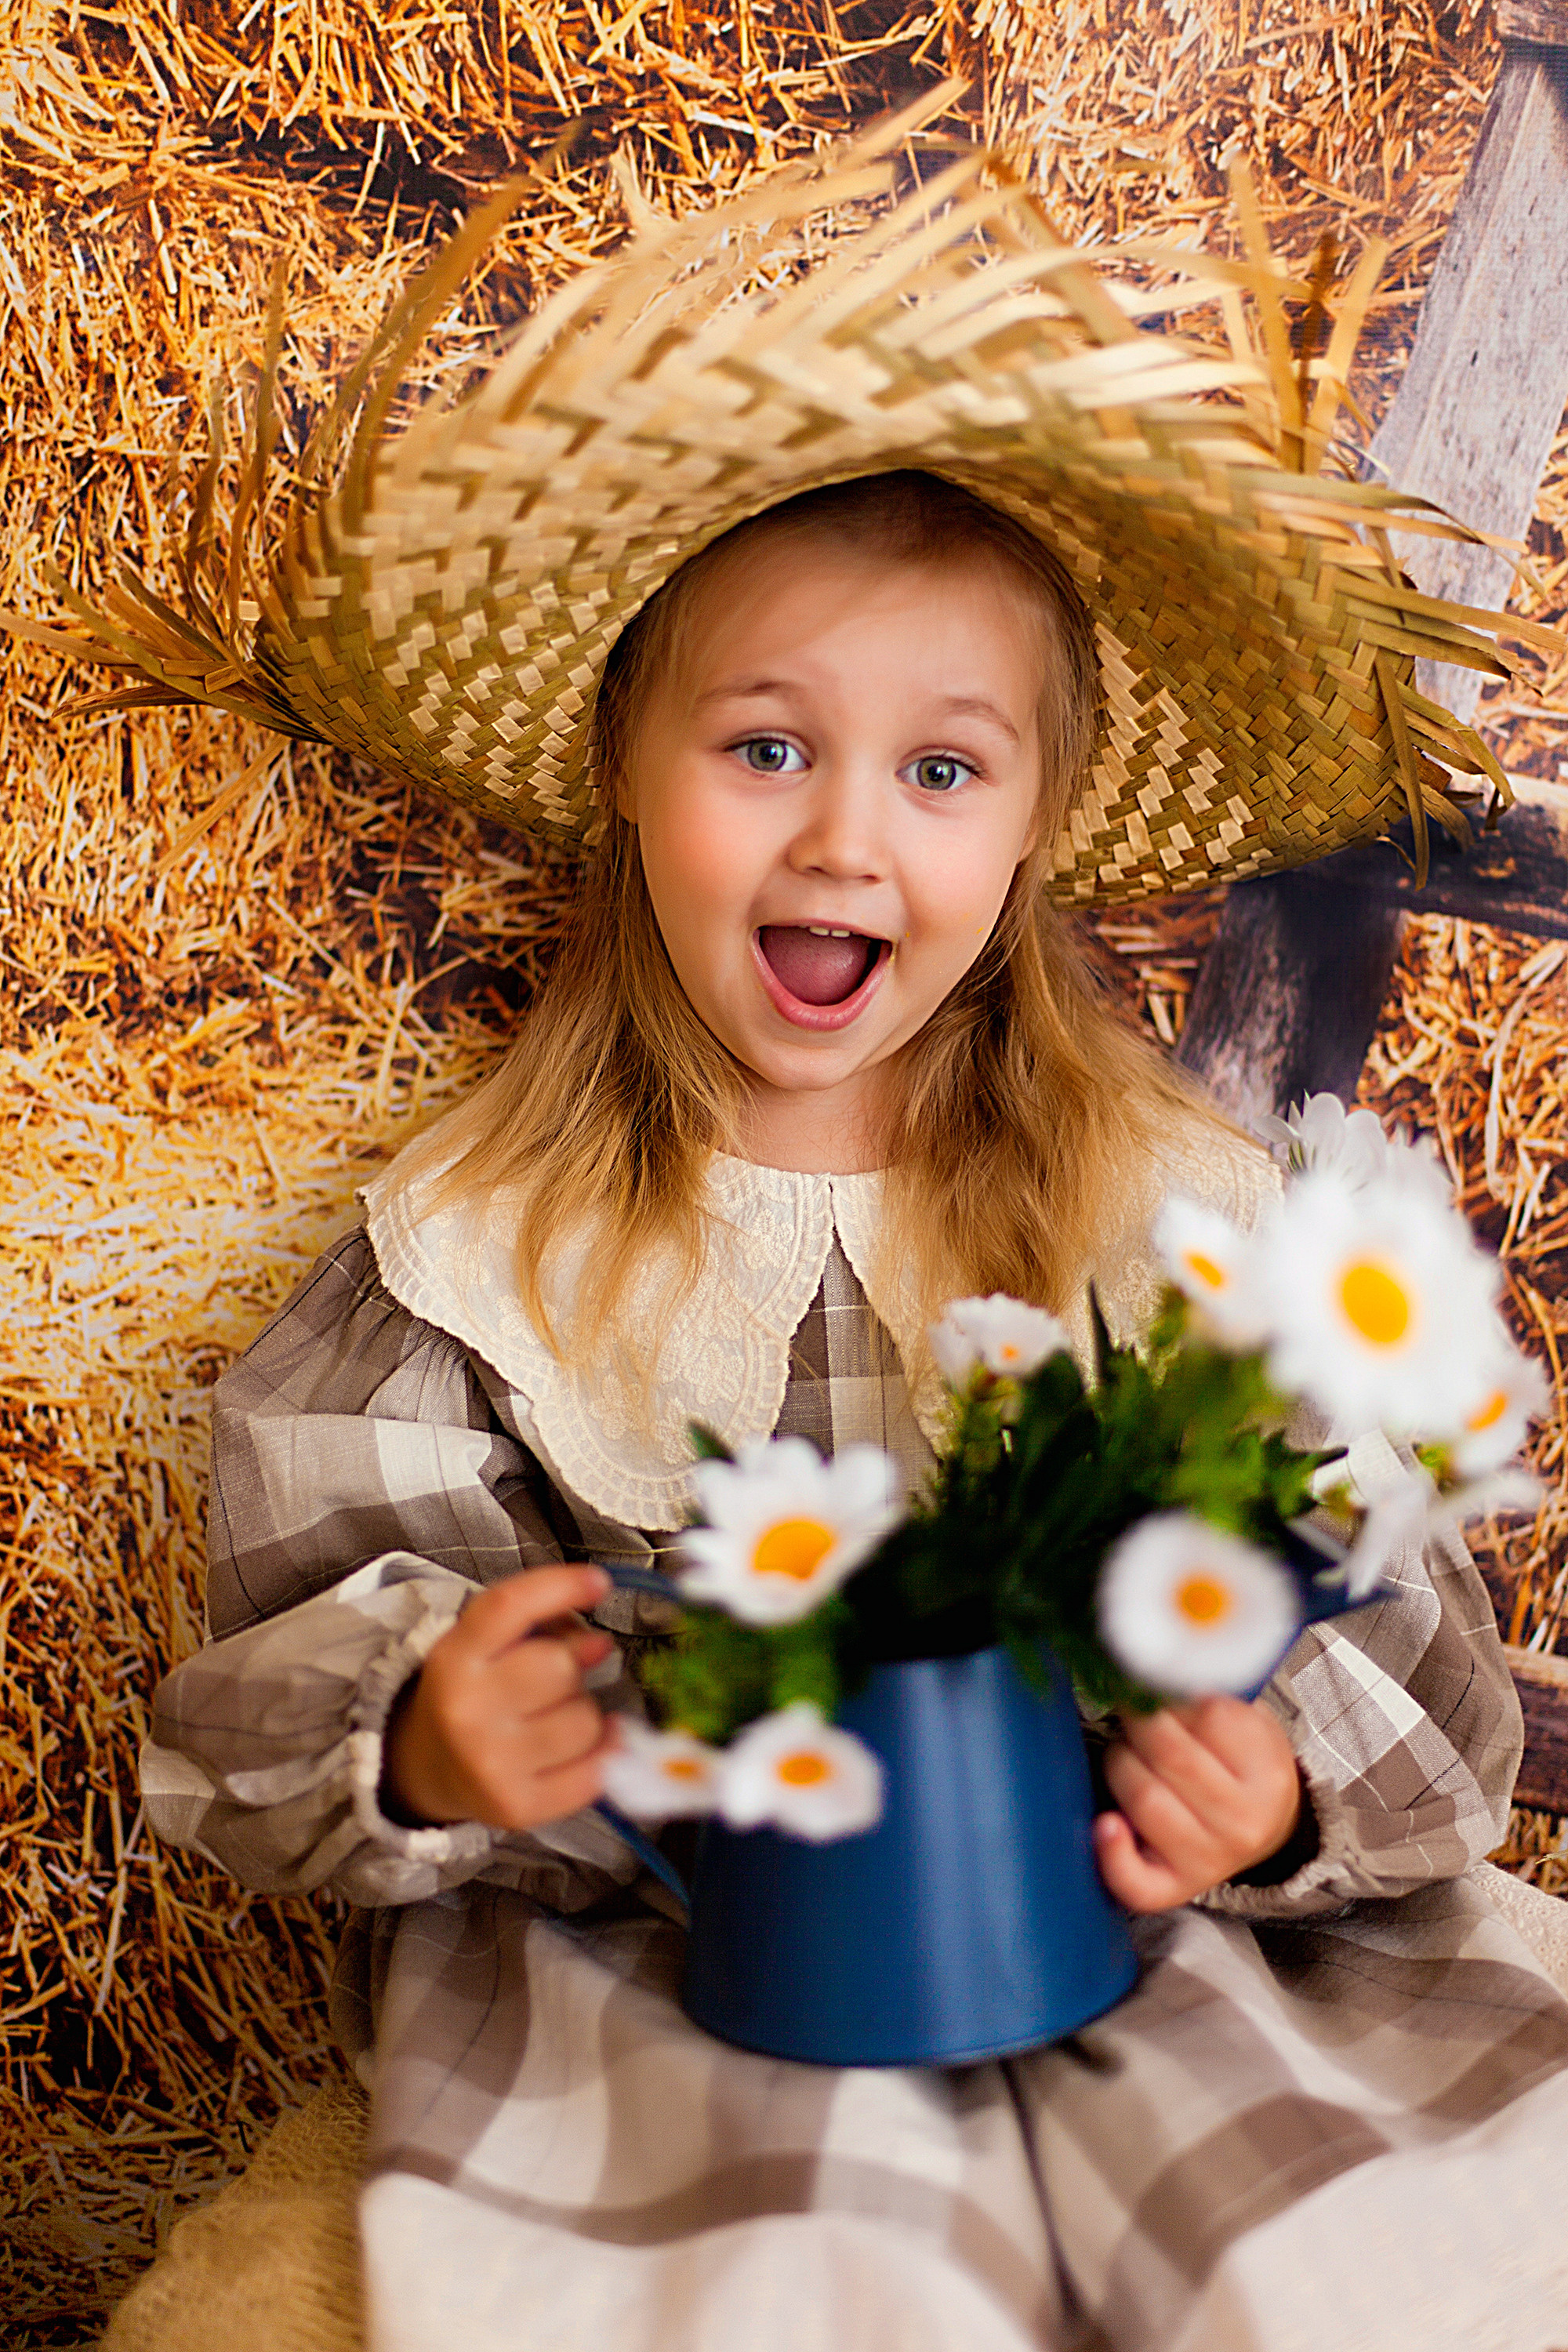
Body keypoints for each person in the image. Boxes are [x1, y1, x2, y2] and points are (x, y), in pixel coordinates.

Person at [68, 126, 1568, 2351]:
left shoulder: (1183, 1223)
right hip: (691, 1985)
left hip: (1173, 1961)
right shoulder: (485, 1244)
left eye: (943, 772)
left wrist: (1265, 1793)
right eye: (765, 746)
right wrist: (425, 1737)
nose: (847, 834)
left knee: (1343, 2271)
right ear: (623, 770)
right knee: (792, 2288)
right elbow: (250, 1700)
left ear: (1041, 821)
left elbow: (1425, 1664)